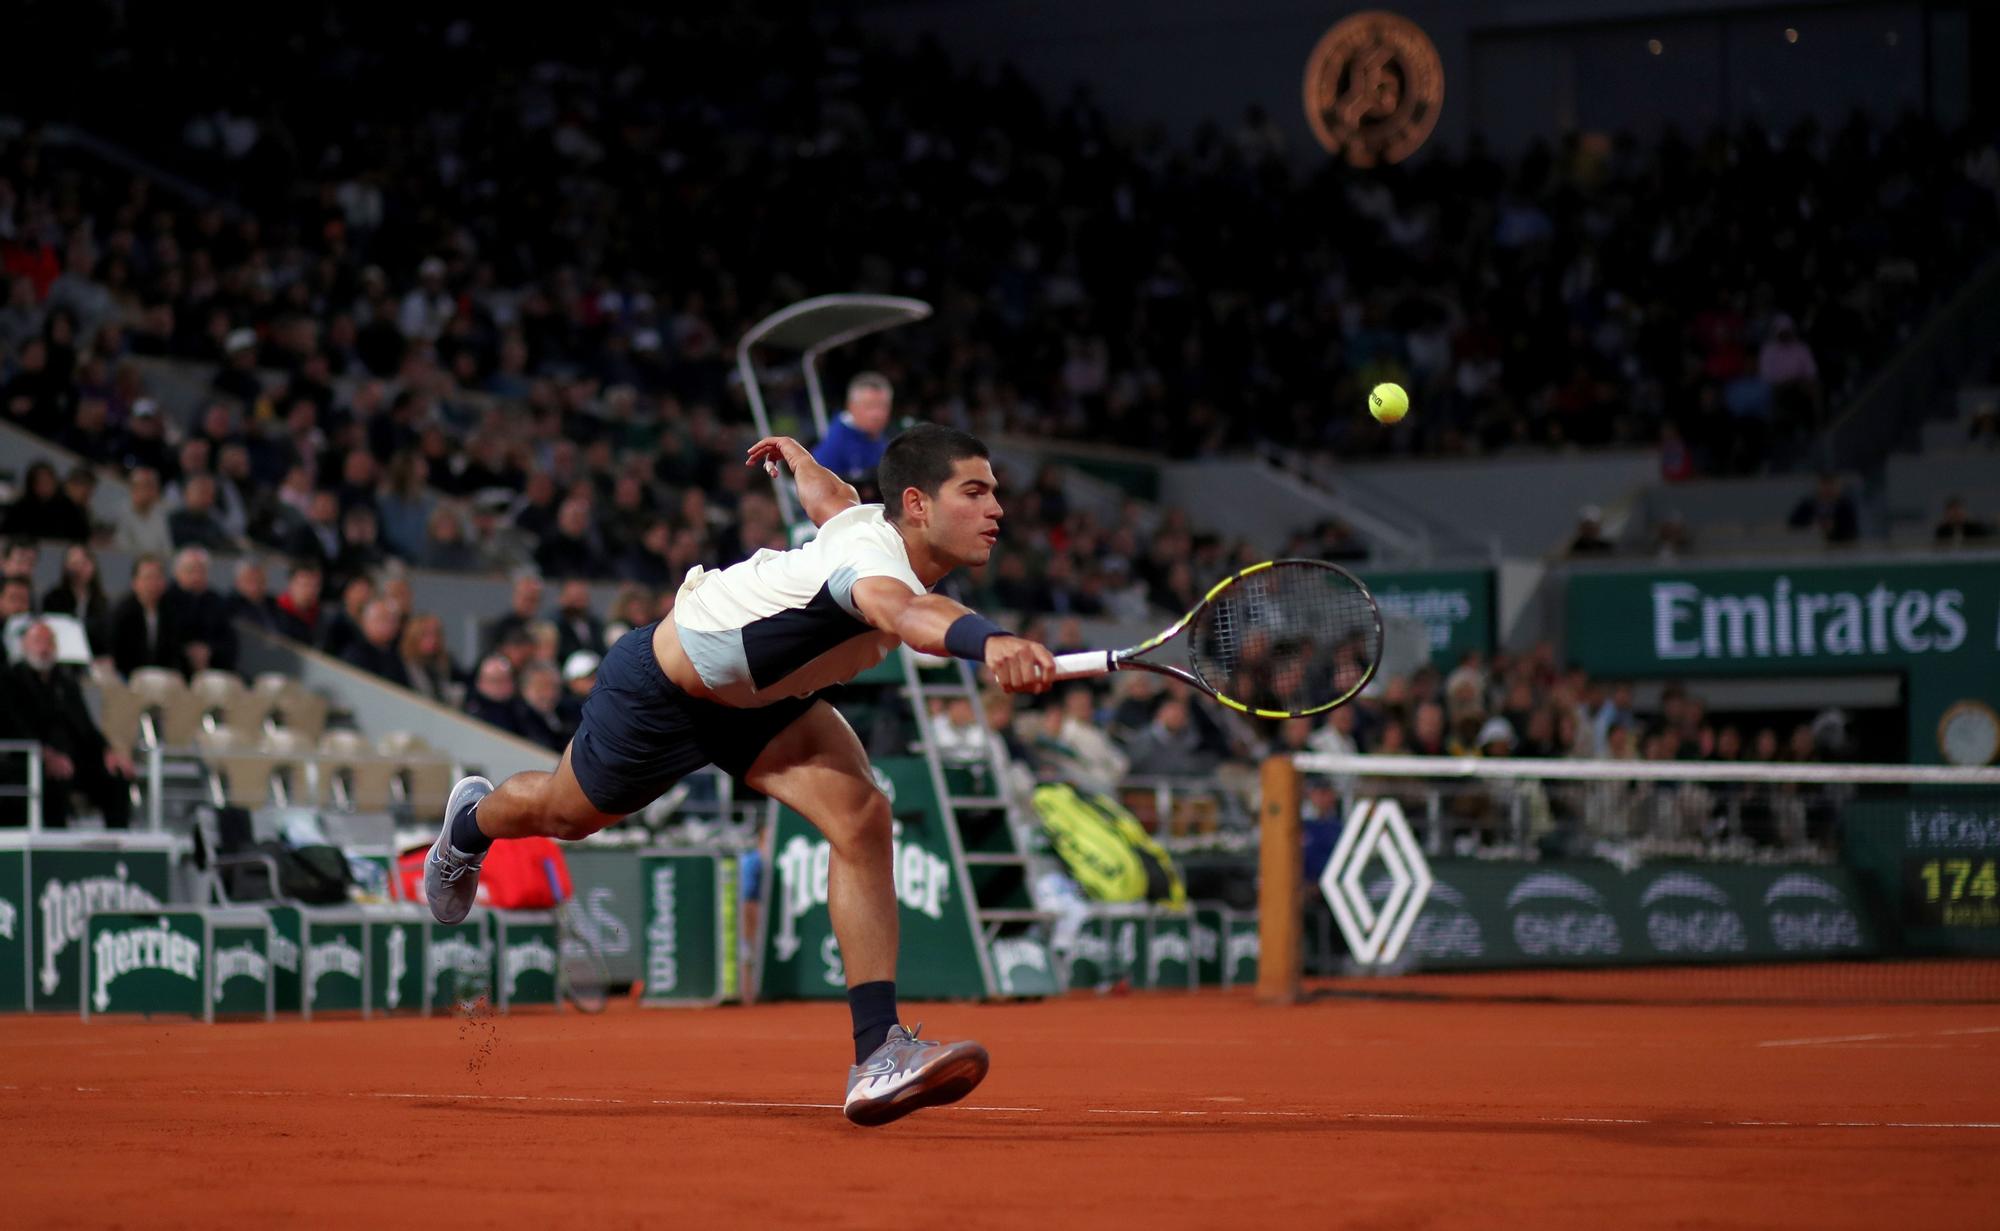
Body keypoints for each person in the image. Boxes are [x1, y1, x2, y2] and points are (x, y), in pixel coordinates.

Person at [423, 425, 1050, 1126]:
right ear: (917, 503)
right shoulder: (874, 564)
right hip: (664, 688)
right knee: (567, 815)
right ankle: (468, 824)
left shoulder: (865, 520)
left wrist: (802, 461)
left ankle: (876, 1051)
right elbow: (907, 613)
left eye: (994, 491)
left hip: (765, 703)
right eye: (976, 491)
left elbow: (833, 499)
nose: (997, 508)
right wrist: (990, 638)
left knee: (862, 815)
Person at [5, 621, 135, 828]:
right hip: (32, 760)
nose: (44, 648)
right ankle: (55, 848)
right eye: (38, 641)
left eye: (49, 642)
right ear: (24, 646)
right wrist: (45, 754)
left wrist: (108, 752)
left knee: (115, 777)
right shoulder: (11, 681)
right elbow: (15, 727)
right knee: (55, 779)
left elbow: (86, 726)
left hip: (73, 758)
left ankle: (118, 845)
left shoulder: (65, 682)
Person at [108, 554, 187, 677]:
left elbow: (174, 652)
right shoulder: (123, 612)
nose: (153, 584)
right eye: (148, 578)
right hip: (129, 675)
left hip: (161, 676)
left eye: (158, 578)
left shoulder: (171, 612)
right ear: (135, 582)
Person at [810, 372, 897, 480]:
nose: (877, 414)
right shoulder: (832, 448)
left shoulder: (888, 438)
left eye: (883, 406)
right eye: (869, 406)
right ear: (851, 406)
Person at [42, 543, 112, 653]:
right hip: (62, 653)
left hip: (93, 654)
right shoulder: (53, 598)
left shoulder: (101, 601)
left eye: (84, 563)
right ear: (66, 567)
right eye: (74, 564)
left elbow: (104, 634)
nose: (79, 569)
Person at [339, 598, 410, 688]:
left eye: (393, 620)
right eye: (382, 618)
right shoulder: (355, 654)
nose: (389, 624)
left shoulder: (396, 654)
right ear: (365, 621)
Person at [110, 466, 174, 556]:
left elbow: (167, 549)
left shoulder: (163, 513)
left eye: (153, 486)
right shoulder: (120, 513)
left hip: (158, 565)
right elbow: (123, 549)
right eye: (146, 486)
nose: (151, 491)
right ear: (133, 489)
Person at [1788, 474, 1859, 544]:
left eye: (1831, 485)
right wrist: (1812, 526)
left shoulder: (1845, 506)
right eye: (1825, 484)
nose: (1828, 489)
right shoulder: (1808, 505)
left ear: (1838, 487)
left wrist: (1834, 528)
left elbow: (1852, 532)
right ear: (1818, 486)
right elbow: (1792, 524)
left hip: (1839, 548)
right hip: (1809, 547)